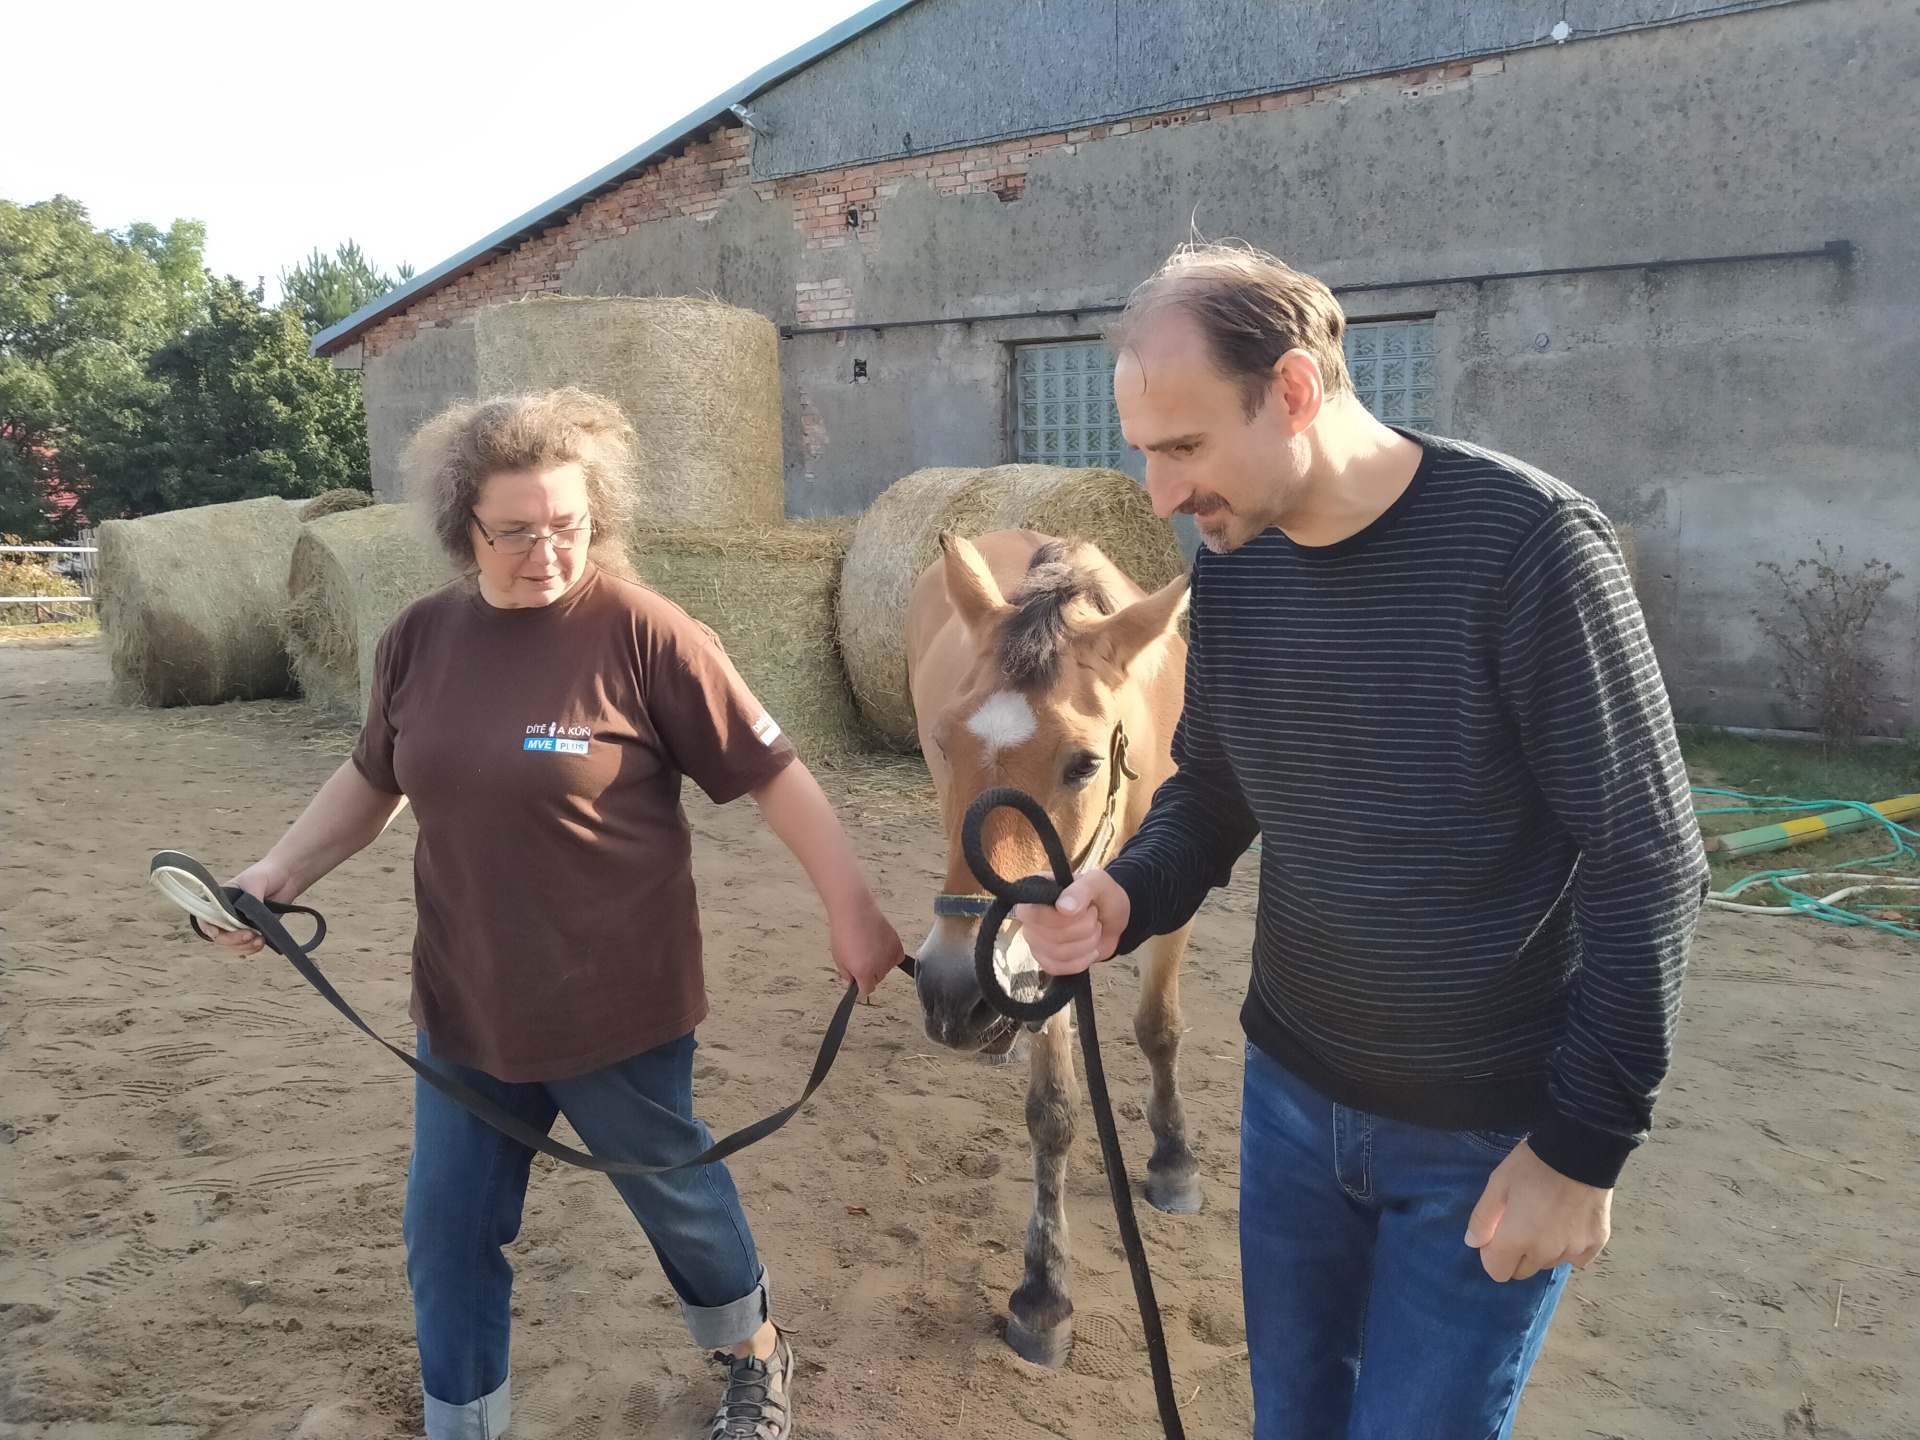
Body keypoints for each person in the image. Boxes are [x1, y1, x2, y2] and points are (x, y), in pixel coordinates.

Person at [1015, 245, 1707, 1440]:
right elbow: (1214, 790)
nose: (1161, 494)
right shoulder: (1236, 568)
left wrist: (1584, 1149)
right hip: (1290, 1105)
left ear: (1292, 391)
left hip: (1483, 1138)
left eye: (1184, 447)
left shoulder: (1530, 547)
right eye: (1144, 451)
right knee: (1291, 1421)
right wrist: (1126, 892)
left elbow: (1649, 859)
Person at [202, 388, 903, 1440]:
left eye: (568, 525)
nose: (547, 552)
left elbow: (776, 776)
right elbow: (375, 780)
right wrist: (276, 873)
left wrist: (854, 910)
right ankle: (464, 1422)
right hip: (466, 1003)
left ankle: (755, 1351)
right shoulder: (419, 638)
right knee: (446, 1229)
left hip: (616, 1005)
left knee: (675, 1199)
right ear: (465, 529)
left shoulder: (647, 633)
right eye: (516, 532)